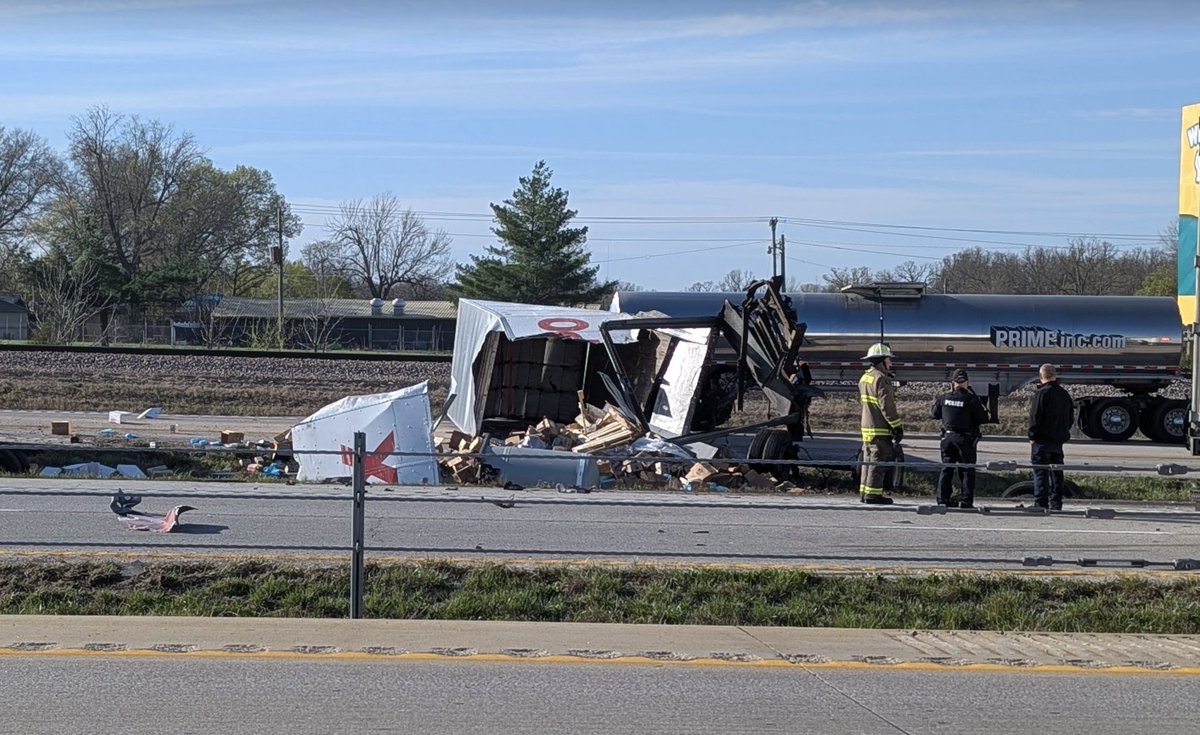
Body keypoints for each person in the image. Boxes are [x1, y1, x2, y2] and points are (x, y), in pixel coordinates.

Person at [931, 368, 989, 508]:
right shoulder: (971, 399)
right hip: (965, 439)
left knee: (947, 469)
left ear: (953, 383)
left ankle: (942, 499)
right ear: (967, 383)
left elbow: (934, 414)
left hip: (947, 438)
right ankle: (966, 501)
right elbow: (983, 418)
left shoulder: (944, 398)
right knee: (967, 470)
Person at [858, 343, 903, 505]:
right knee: (878, 461)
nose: (891, 363)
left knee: (868, 461)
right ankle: (873, 495)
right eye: (889, 359)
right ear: (881, 360)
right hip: (879, 428)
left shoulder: (865, 377)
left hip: (867, 427)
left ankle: (864, 492)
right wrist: (897, 426)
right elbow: (887, 407)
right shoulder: (881, 379)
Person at [1028, 363, 1075, 511]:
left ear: (1041, 376)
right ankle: (1056, 503)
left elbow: (1035, 417)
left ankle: (1041, 503)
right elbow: (1070, 418)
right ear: (1055, 375)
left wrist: (1032, 436)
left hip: (1042, 440)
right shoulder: (1064, 394)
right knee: (1057, 473)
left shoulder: (1041, 394)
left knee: (1041, 472)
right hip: (1058, 441)